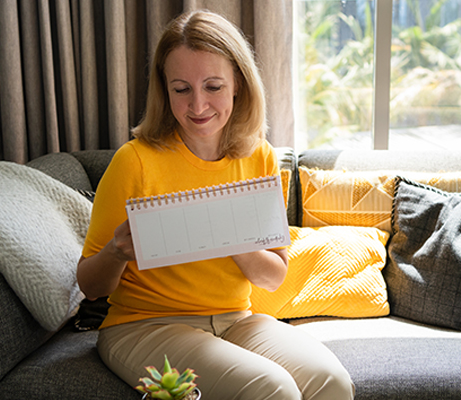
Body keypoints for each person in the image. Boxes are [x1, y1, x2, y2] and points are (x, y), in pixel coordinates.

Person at [77, 10, 354, 400]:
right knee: (271, 390)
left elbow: (273, 277)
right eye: (181, 89)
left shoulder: (259, 158)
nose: (198, 105)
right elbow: (90, 286)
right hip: (142, 326)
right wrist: (117, 251)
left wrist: (227, 236)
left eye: (213, 86)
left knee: (332, 380)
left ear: (238, 84)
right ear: (164, 90)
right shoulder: (134, 161)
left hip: (235, 320)